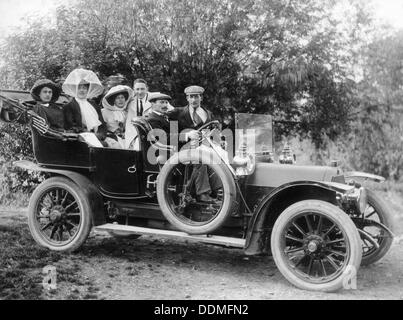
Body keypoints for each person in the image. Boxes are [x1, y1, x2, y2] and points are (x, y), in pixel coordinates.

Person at [168, 85, 221, 202]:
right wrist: (187, 135)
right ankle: (203, 193)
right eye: (191, 97)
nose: (193, 100)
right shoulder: (177, 113)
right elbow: (170, 136)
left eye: (196, 97)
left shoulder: (208, 114)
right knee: (200, 159)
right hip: (183, 149)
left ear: (201, 98)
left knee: (220, 157)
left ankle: (219, 189)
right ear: (187, 98)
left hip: (204, 146)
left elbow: (215, 132)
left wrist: (218, 139)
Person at [62, 69, 107, 141]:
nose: (82, 90)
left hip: (97, 137)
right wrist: (86, 134)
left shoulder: (94, 105)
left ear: (88, 90)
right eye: (79, 88)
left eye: (84, 88)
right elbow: (69, 127)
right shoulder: (68, 106)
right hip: (78, 139)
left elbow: (102, 126)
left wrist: (100, 135)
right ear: (75, 89)